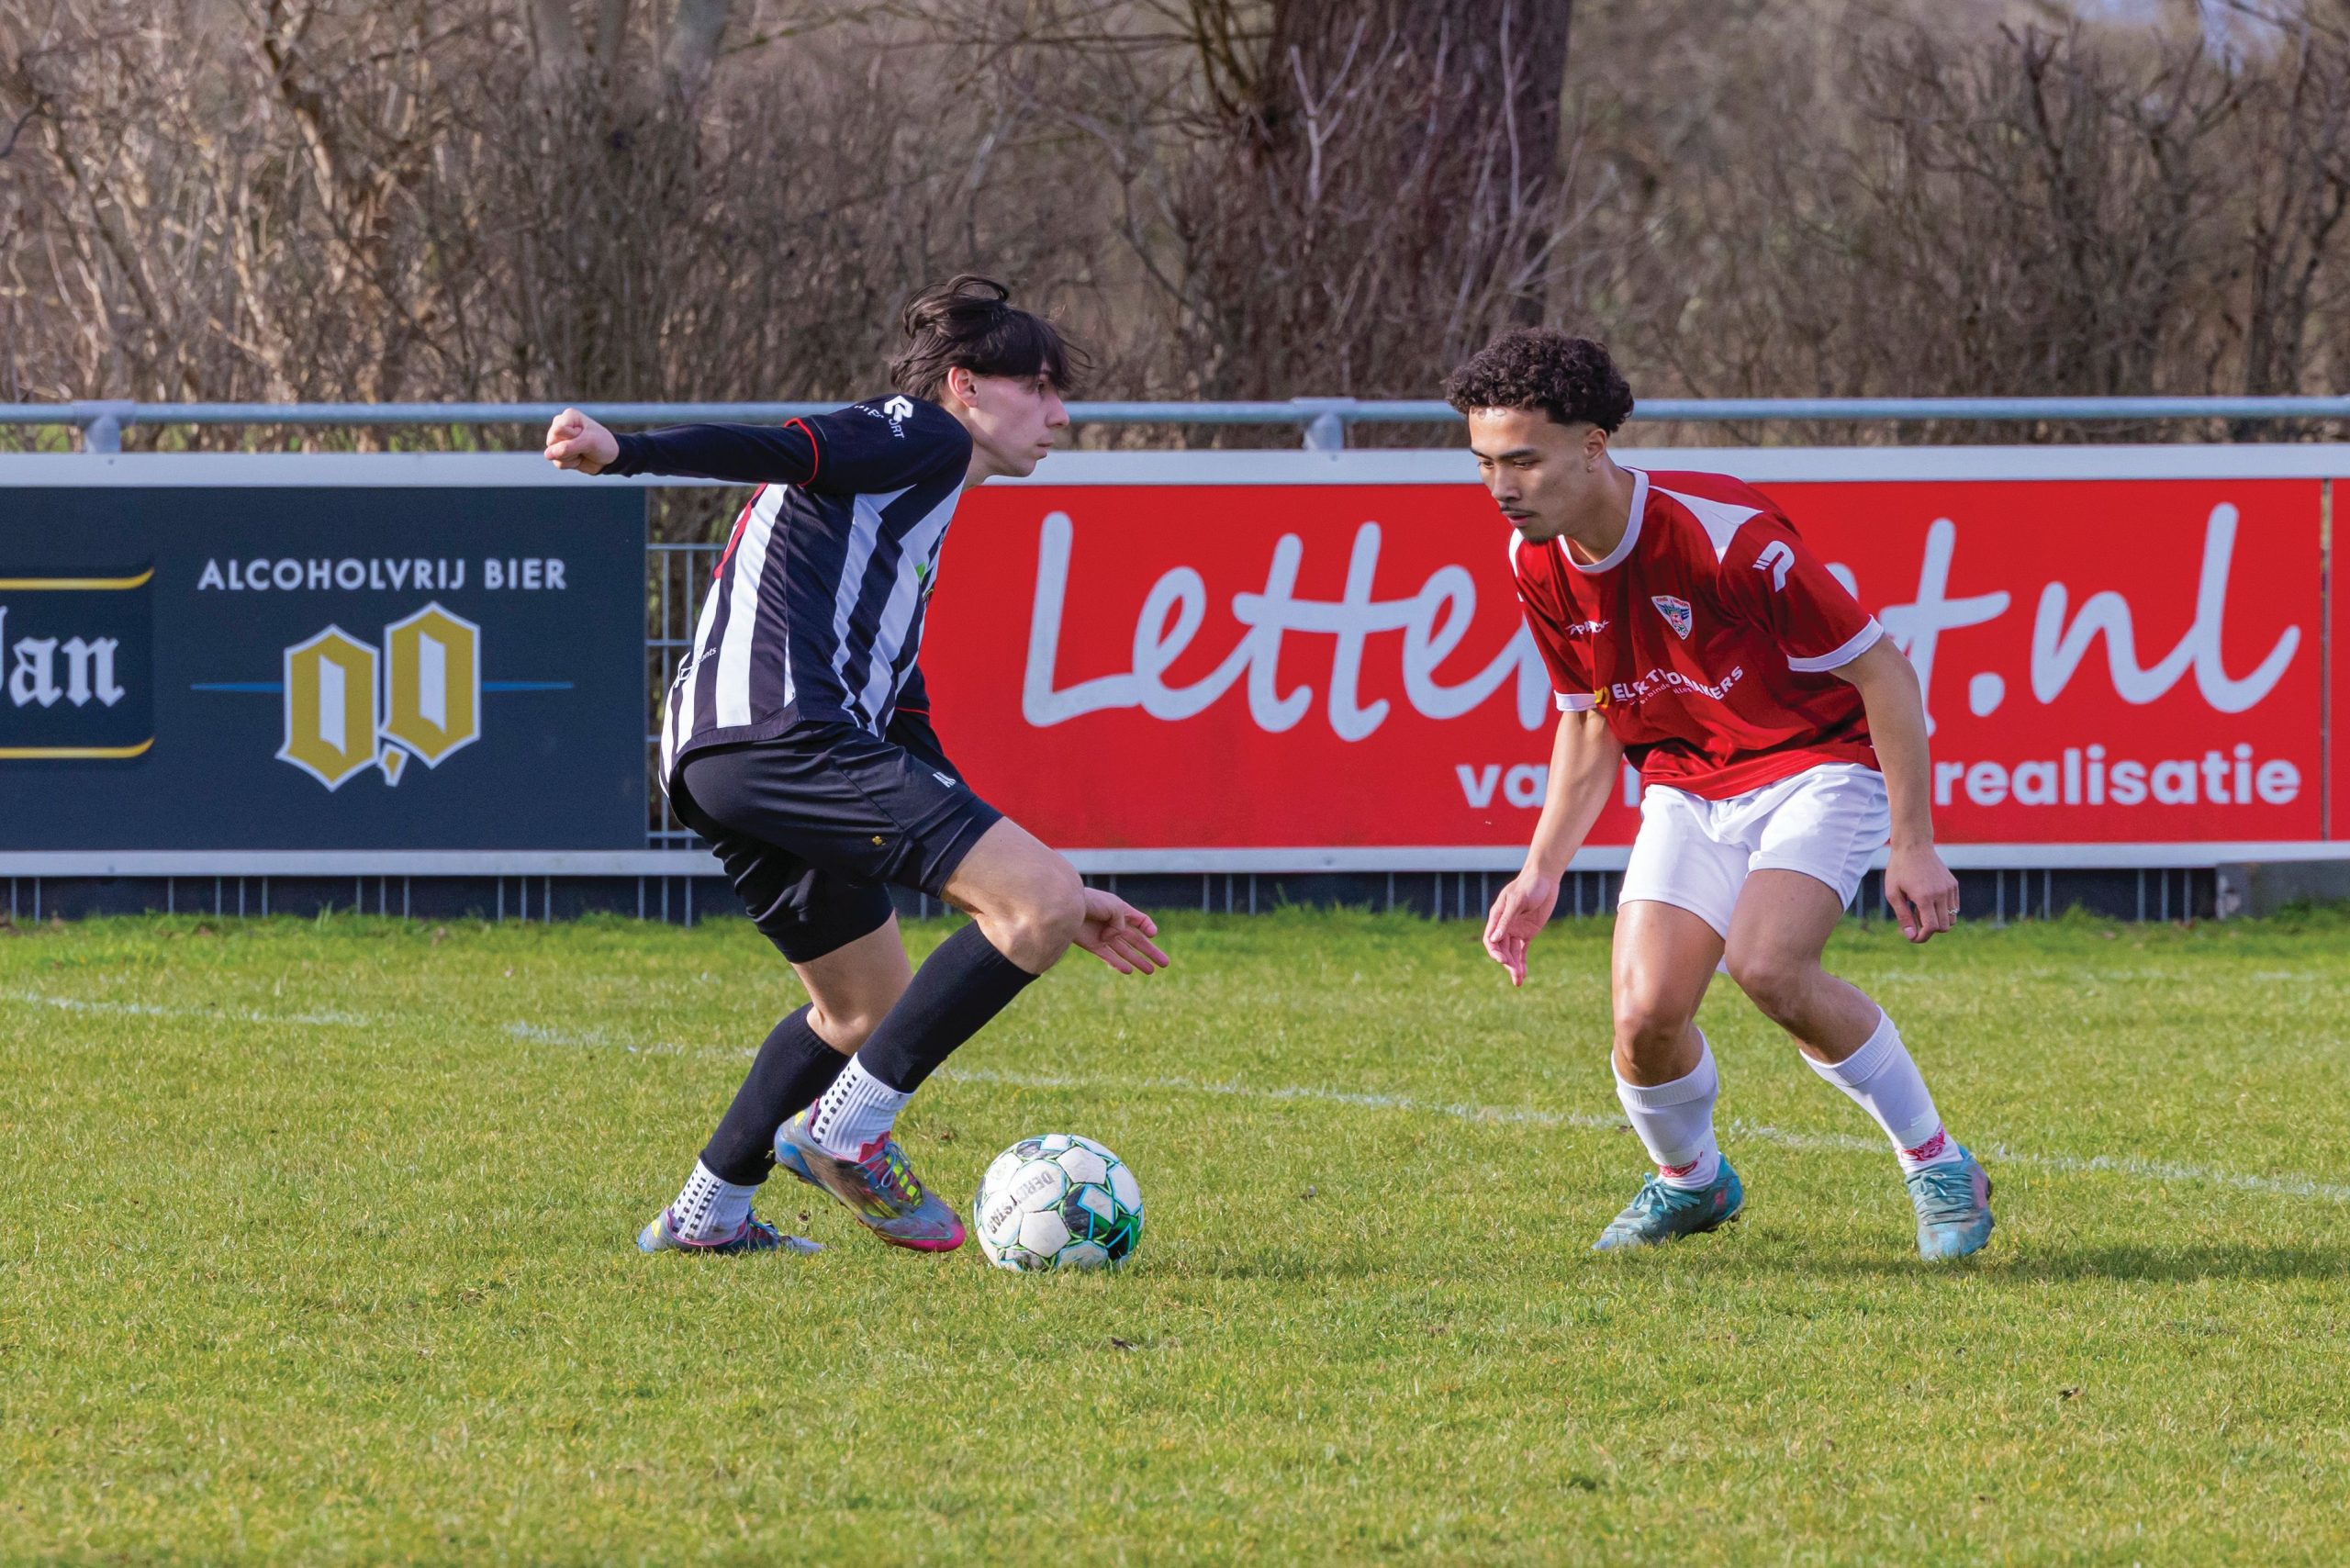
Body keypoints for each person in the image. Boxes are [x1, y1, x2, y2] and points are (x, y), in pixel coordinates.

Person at [544, 274, 1169, 1257]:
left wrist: (1034, 881)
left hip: (721, 760)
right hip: (784, 736)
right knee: (1031, 906)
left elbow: (903, 715)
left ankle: (707, 1215)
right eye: (1040, 387)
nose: (1059, 414)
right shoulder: (921, 436)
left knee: (860, 1008)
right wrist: (629, 454)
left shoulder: (907, 509)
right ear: (965, 386)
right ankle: (844, 1132)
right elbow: (789, 445)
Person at [1455, 328, 1993, 1260]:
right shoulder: (1531, 560)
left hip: (1816, 763)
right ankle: (1692, 1182)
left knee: (1769, 966)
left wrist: (1913, 844)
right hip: (1686, 782)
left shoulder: (1725, 538)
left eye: (1524, 461)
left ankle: (1939, 1164)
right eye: (1485, 463)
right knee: (1643, 1020)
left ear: (1594, 446)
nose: (1502, 486)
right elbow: (1588, 718)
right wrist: (1540, 871)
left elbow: (1885, 673)